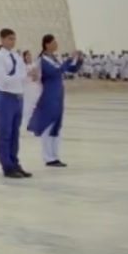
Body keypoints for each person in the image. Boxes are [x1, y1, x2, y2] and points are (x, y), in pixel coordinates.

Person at [28, 35, 82, 167]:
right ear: (46, 44)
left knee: (57, 126)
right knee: (48, 125)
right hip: (48, 95)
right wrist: (69, 59)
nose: (56, 44)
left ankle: (55, 155)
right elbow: (55, 72)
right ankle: (48, 157)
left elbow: (70, 69)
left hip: (58, 95)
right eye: (53, 42)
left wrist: (78, 60)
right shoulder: (42, 60)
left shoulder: (54, 58)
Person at [0, 28, 32, 179]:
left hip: (18, 97)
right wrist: (20, 77)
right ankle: (6, 165)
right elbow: (3, 79)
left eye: (14, 39)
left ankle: (15, 162)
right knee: (5, 133)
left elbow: (24, 75)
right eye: (9, 39)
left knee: (15, 133)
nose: (12, 42)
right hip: (5, 96)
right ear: (2, 39)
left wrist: (21, 77)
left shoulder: (16, 56)